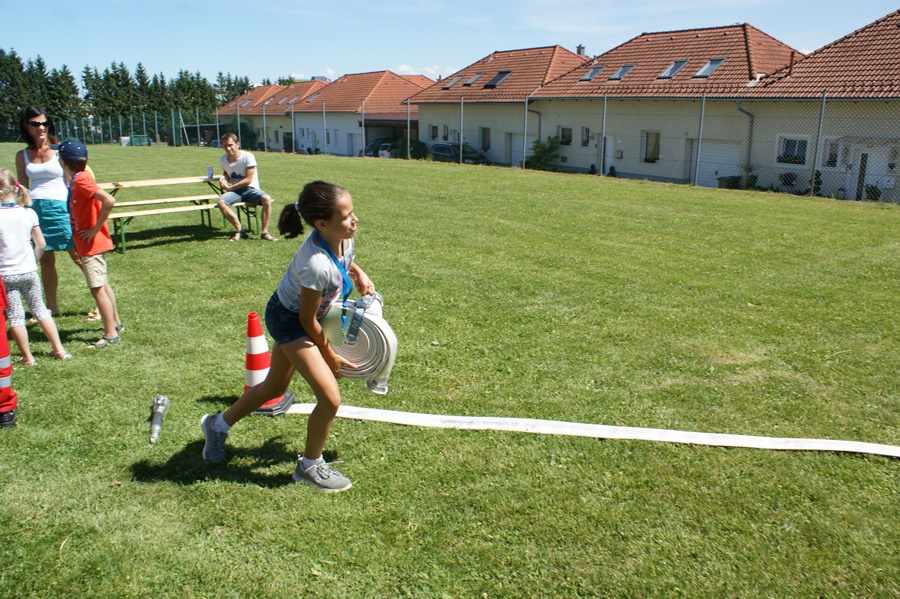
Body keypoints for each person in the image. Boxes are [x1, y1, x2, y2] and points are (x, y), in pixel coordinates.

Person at [201, 181, 375, 492]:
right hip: (290, 320)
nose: (355, 220)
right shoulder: (315, 264)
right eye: (346, 216)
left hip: (310, 316)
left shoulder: (342, 238)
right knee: (330, 398)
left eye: (352, 212)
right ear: (322, 224)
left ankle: (216, 425)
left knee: (275, 386)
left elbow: (343, 262)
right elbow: (305, 320)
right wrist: (328, 353)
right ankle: (309, 466)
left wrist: (358, 273)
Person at [57, 140, 124, 349]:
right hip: (89, 243)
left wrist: (94, 229)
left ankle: (111, 334)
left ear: (63, 162)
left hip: (91, 244)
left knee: (97, 288)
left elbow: (109, 201)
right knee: (103, 284)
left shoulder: (81, 180)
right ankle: (116, 324)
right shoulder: (79, 178)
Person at [14, 105, 79, 317]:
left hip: (61, 207)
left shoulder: (60, 150)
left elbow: (73, 181)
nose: (41, 127)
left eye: (44, 123)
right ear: (26, 126)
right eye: (35, 124)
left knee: (78, 255)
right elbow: (22, 189)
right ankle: (51, 307)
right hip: (36, 210)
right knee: (46, 260)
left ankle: (100, 302)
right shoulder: (22, 155)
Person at [0, 170, 70, 365]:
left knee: (15, 316)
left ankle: (28, 357)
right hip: (29, 271)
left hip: (6, 274)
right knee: (40, 309)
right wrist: (33, 262)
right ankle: (59, 349)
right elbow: (41, 244)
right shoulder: (28, 213)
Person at [215, 132, 279, 242]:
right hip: (236, 191)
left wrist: (230, 188)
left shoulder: (248, 156)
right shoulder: (223, 160)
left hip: (250, 189)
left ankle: (265, 232)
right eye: (225, 146)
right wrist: (223, 178)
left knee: (266, 199)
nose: (228, 149)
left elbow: (248, 179)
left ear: (237, 144)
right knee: (221, 202)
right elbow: (228, 174)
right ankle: (240, 230)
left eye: (230, 145)